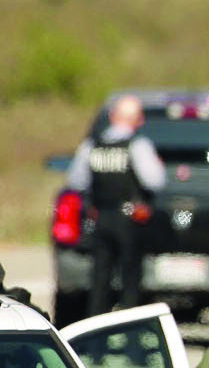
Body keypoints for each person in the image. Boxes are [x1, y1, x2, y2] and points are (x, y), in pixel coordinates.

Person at [65, 94, 166, 315]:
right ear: (138, 120)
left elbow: (75, 181)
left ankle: (95, 329)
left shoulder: (92, 146)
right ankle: (128, 327)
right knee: (130, 278)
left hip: (100, 217)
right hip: (129, 219)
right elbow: (155, 181)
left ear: (112, 117)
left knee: (99, 277)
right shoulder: (137, 145)